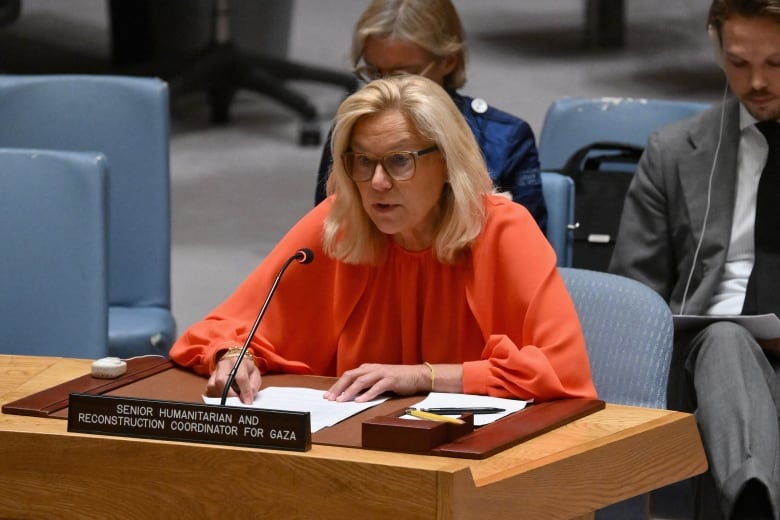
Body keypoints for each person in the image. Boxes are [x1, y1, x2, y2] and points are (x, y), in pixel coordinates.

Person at [170, 75, 595, 409]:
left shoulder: (503, 232)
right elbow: (215, 331)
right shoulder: (342, 222)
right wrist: (232, 357)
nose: (377, 183)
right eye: (363, 161)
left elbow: (564, 372)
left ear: (447, 162)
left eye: (399, 161)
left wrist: (422, 376)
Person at [609, 1, 780, 518]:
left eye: (776, 63)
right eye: (738, 62)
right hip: (707, 356)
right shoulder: (673, 152)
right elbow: (630, 296)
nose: (755, 83)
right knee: (727, 339)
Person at [313, 0, 548, 234]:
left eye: (403, 74)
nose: (386, 86)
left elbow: (529, 247)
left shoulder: (505, 139)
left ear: (448, 60)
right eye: (374, 73)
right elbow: (328, 231)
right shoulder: (351, 130)